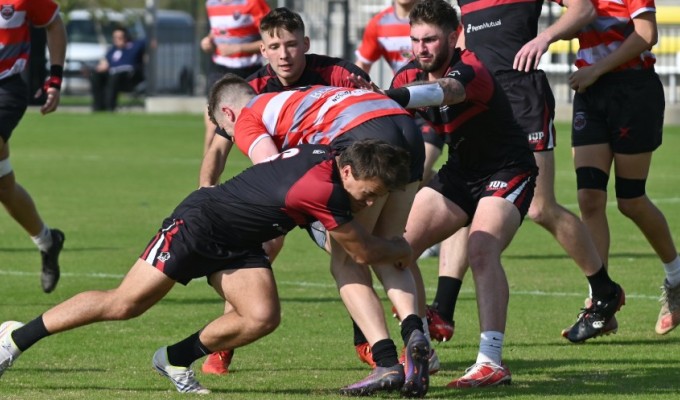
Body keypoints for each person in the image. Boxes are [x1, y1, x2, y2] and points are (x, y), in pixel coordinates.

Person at [0, 139, 421, 395]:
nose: (368, 202)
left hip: (239, 240)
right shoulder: (319, 188)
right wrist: (403, 247)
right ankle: (14, 340)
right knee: (125, 304)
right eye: (368, 194)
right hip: (198, 225)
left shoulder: (333, 157)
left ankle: (172, 359)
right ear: (347, 170)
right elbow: (362, 253)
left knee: (261, 317)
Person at [207, 76, 430, 397]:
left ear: (228, 113)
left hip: (363, 135)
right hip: (404, 124)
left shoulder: (247, 119)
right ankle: (414, 332)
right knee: (389, 245)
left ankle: (386, 362)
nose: (232, 138)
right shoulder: (294, 97)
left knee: (348, 258)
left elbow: (275, 175)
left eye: (226, 132)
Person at [423, 0, 626, 346]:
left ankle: (604, 291)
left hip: (522, 98)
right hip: (478, 101)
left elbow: (584, 9)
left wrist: (544, 38)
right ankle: (442, 311)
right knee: (466, 194)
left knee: (540, 208)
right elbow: (464, 41)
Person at [366, 0, 538, 388]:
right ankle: (421, 345)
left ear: (454, 36)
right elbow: (386, 117)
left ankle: (491, 361)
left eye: (430, 40)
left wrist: (393, 96)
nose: (421, 48)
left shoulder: (470, 67)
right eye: (415, 40)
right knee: (397, 249)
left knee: (480, 247)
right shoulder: (409, 72)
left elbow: (447, 91)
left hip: (508, 169)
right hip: (462, 172)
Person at [198, 7, 375, 375]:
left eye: (291, 44)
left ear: (305, 44)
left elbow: (373, 116)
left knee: (352, 253)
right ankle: (225, 343)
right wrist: (205, 194)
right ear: (262, 50)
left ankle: (370, 344)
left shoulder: (338, 74)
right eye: (274, 46)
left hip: (328, 191)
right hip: (274, 194)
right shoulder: (251, 89)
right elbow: (216, 148)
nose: (284, 54)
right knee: (254, 257)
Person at [567, 0, 680, 336]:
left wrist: (596, 68)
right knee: (589, 197)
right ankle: (600, 302)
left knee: (631, 200)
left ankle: (676, 279)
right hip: (589, 91)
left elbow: (647, 34)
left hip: (632, 91)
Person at [0, 0, 67, 293]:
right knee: (4, 187)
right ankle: (48, 241)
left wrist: (55, 79)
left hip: (6, 89)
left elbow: (54, 23)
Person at [201, 0, 270, 155]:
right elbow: (218, 31)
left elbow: (270, 38)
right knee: (213, 126)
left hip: (248, 71)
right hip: (219, 69)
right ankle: (208, 178)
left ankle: (266, 169)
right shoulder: (212, 4)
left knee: (255, 125)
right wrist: (208, 41)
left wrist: (239, 48)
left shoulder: (253, 3)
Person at [90, 26, 145, 112]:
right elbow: (106, 61)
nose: (117, 39)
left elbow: (149, 41)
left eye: (120, 37)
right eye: (115, 37)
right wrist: (103, 65)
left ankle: (110, 107)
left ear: (126, 37)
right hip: (112, 74)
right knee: (96, 75)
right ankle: (98, 106)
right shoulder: (112, 50)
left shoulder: (135, 46)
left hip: (128, 77)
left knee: (115, 77)